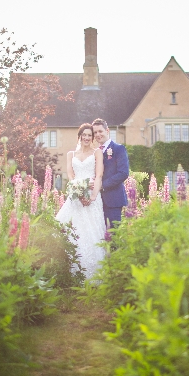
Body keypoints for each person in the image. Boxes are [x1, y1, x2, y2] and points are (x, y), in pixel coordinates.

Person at [56, 123, 106, 279]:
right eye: (84, 135)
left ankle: (94, 274)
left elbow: (98, 176)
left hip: (92, 197)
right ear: (79, 136)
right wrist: (78, 190)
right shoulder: (71, 154)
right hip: (76, 197)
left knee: (92, 233)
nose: (86, 137)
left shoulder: (97, 152)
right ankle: (69, 272)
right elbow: (71, 176)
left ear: (92, 138)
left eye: (89, 135)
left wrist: (92, 196)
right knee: (71, 230)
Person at [90, 118, 129, 229]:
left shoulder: (119, 149)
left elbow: (123, 173)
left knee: (113, 235)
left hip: (113, 200)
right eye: (95, 132)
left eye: (100, 131)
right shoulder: (94, 152)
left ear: (107, 131)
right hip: (96, 201)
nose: (98, 134)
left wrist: (102, 185)